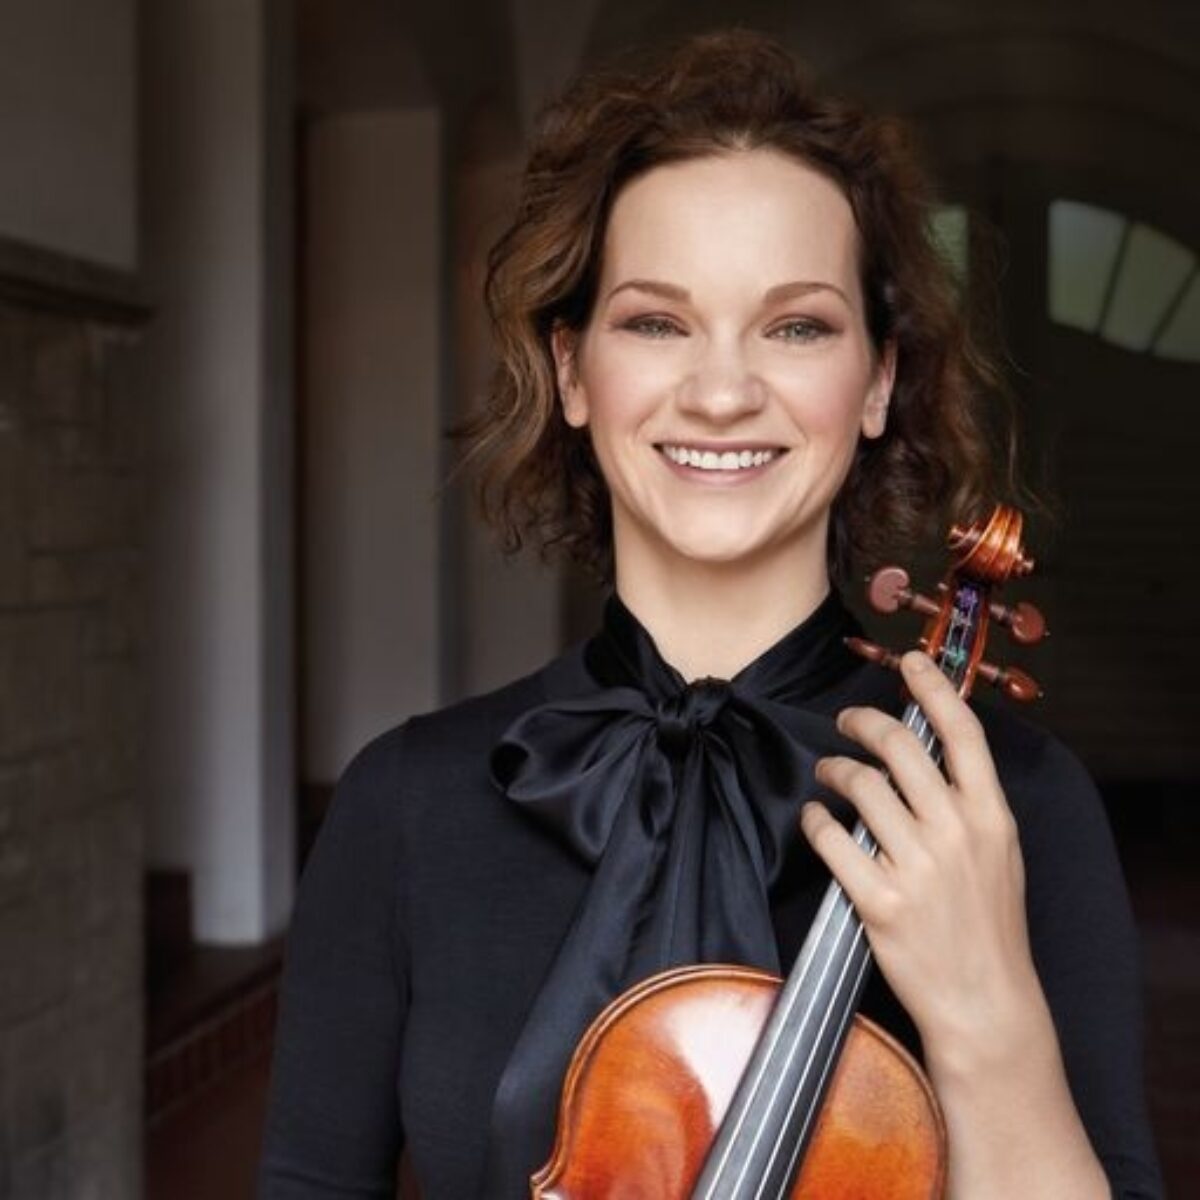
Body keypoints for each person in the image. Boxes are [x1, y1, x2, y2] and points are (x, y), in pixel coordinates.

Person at [259, 30, 1162, 1199]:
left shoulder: (1011, 810)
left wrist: (988, 1015)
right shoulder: (404, 803)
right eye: (655, 321)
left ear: (879, 380)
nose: (724, 390)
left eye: (796, 326)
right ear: (575, 371)